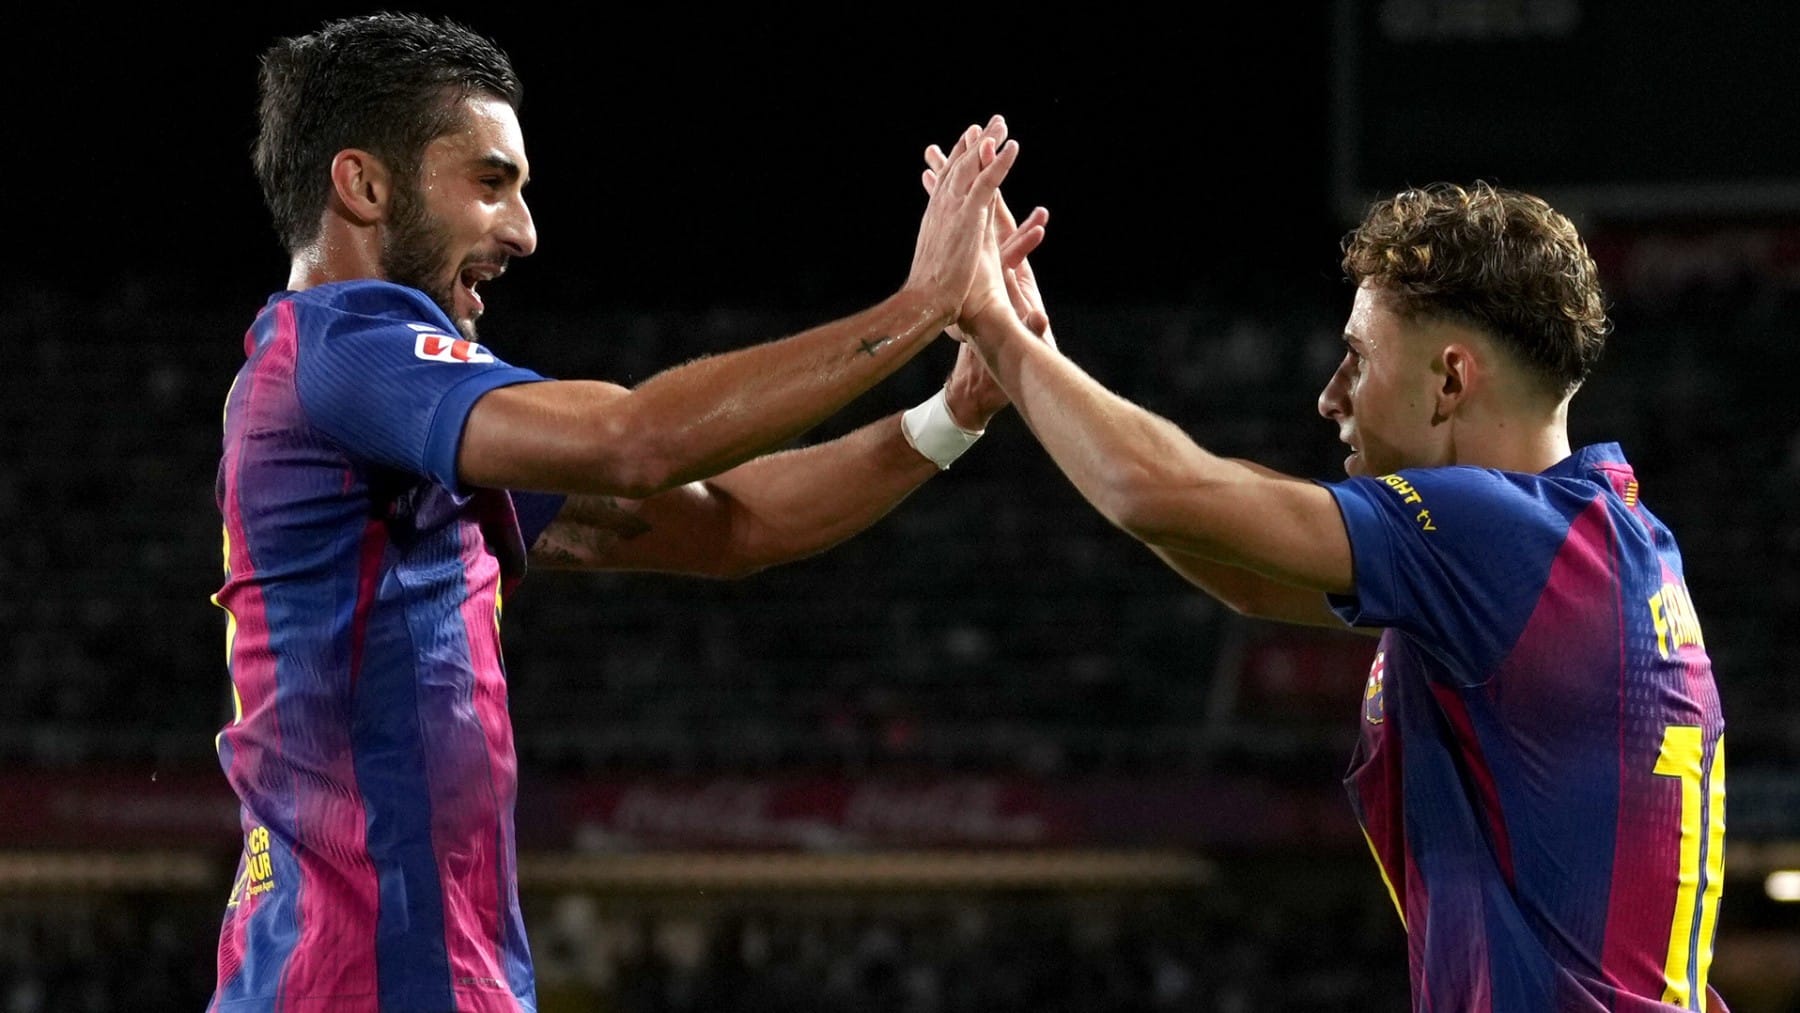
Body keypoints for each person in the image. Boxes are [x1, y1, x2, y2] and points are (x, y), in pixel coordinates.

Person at [207, 11, 1048, 1013]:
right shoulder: (344, 352)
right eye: (491, 182)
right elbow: (636, 439)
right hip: (362, 980)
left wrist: (954, 412)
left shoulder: (383, 407)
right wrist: (922, 303)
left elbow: (727, 524)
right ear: (364, 185)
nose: (524, 230)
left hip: (404, 971)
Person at [938, 151, 1728, 1012]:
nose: (1330, 396)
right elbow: (1242, 570)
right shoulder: (1594, 541)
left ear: (1450, 380)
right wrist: (1039, 366)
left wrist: (991, 324)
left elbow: (1160, 490)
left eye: (1356, 357)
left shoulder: (1497, 535)